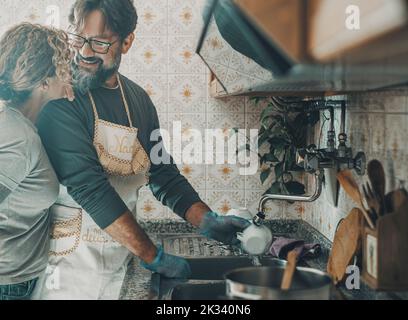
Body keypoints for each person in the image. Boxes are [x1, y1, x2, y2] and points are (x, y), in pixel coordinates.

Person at [33, 0, 251, 300]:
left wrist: (206, 219)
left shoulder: (137, 100)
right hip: (69, 271)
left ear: (127, 41)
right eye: (79, 39)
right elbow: (91, 190)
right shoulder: (59, 98)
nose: (84, 53)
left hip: (122, 259)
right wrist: (154, 257)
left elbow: (162, 173)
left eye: (98, 42)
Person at [0, 23, 74, 300]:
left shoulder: (19, 127)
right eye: (64, 68)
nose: (70, 75)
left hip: (16, 280)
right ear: (44, 81)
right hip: (7, 285)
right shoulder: (19, 139)